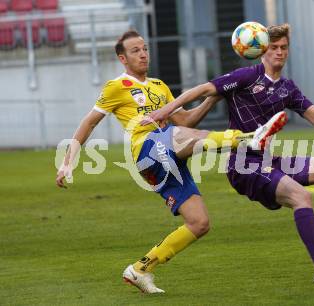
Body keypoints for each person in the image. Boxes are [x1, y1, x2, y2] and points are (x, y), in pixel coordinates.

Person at [55, 30, 287, 293]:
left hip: (169, 158)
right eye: (135, 51)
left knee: (199, 223)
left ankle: (140, 269)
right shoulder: (116, 86)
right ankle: (246, 139)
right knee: (177, 136)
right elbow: (89, 122)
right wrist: (67, 162)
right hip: (146, 149)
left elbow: (186, 122)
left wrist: (214, 97)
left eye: (145, 48)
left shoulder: (159, 86)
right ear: (122, 58)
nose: (143, 54)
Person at [147, 24, 314, 283]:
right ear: (261, 51)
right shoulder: (246, 77)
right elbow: (202, 89)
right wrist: (165, 111)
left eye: (284, 48)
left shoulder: (288, 88)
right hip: (243, 165)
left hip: (269, 161)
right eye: (274, 48)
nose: (279, 52)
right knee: (301, 196)